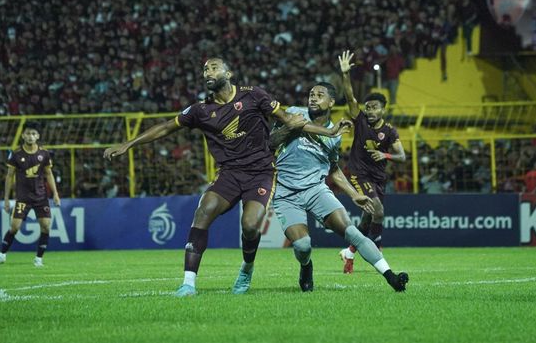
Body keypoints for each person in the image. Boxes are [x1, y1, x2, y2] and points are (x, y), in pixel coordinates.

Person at [104, 57, 349, 297]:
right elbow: (167, 126)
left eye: (213, 68)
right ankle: (188, 284)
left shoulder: (253, 95)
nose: (207, 72)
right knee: (204, 209)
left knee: (250, 225)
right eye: (204, 69)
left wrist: (328, 131)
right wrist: (128, 144)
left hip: (261, 173)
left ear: (228, 74)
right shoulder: (201, 109)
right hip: (229, 174)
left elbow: (291, 121)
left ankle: (247, 268)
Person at [270, 82, 409, 292]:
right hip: (286, 193)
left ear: (331, 102)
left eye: (320, 95)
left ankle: (391, 277)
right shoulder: (294, 113)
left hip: (316, 190)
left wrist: (354, 194)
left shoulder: (335, 135)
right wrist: (315, 130)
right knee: (302, 246)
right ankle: (306, 266)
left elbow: (333, 168)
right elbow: (271, 141)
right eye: (311, 94)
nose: (313, 98)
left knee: (354, 233)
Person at [337, 50, 406, 274]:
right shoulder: (361, 121)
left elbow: (402, 156)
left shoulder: (390, 131)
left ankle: (349, 252)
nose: (370, 110)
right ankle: (376, 245)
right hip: (359, 173)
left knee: (368, 216)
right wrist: (346, 75)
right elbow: (350, 98)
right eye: (368, 107)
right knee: (378, 209)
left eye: (375, 107)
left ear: (383, 109)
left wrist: (385, 155)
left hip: (378, 177)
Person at [0, 121, 61, 268]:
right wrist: (6, 199)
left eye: (33, 133)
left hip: (41, 197)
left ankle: (38, 259)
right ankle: (2, 256)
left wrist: (55, 194)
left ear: (38, 136)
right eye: (28, 133)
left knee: (46, 227)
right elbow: (9, 176)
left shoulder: (44, 153)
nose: (30, 136)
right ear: (23, 135)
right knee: (14, 227)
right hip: (23, 198)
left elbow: (49, 173)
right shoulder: (15, 154)